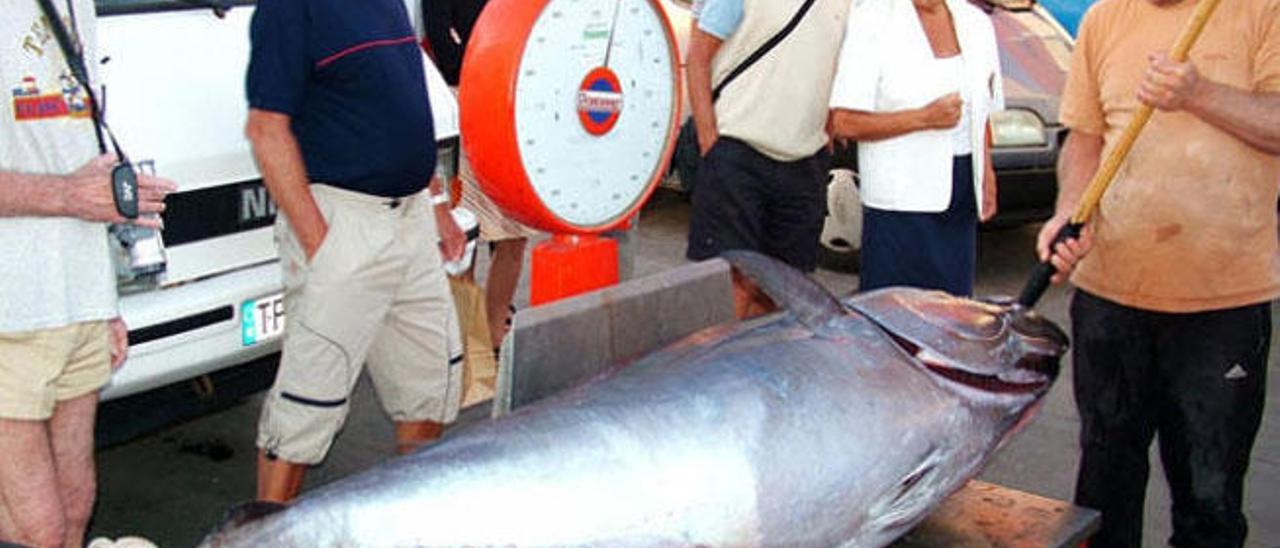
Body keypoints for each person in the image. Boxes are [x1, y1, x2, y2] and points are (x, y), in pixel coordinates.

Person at [1038, 0, 1280, 545]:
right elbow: (1084, 138)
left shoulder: (1262, 12)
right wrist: (1067, 211)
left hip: (1222, 304)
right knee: (1104, 488)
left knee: (1210, 501)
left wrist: (1200, 95)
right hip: (1109, 297)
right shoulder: (1104, 18)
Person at [245, 0, 466, 503]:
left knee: (427, 387)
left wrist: (435, 203)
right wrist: (321, 244)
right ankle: (265, 536)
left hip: (410, 220)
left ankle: (409, 526)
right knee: (307, 405)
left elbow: (401, 107)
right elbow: (265, 129)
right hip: (345, 222)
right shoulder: (289, 10)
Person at [1, 1, 175, 545]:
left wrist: (105, 303)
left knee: (76, 508)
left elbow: (83, 153)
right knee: (39, 530)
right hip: (10, 311)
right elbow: (75, 189)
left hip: (76, 298)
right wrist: (66, 196)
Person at [683, 0, 851, 315]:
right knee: (731, 286)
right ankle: (722, 364)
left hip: (804, 162)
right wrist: (709, 137)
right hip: (737, 155)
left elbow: (834, 65)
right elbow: (698, 57)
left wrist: (826, 129)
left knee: (783, 292)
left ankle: (759, 365)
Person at [828, 0, 1003, 297]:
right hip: (899, 206)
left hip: (960, 195)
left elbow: (983, 109)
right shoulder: (873, 19)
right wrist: (923, 119)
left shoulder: (976, 23)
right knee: (895, 322)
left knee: (953, 319)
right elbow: (844, 122)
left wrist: (986, 171)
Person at [421, 0, 537, 352]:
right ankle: (470, 343)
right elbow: (448, 56)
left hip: (511, 110)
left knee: (514, 236)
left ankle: (494, 330)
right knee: (465, 237)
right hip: (465, 112)